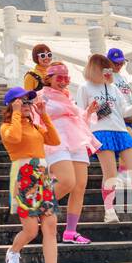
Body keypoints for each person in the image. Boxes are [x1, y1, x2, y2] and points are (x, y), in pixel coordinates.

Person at [0, 87, 73, 263]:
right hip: (23, 177)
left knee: (50, 227)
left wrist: (43, 115)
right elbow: (13, 138)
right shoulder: (6, 126)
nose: (26, 105)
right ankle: (13, 251)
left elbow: (54, 140)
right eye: (21, 102)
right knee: (31, 230)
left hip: (42, 176)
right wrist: (15, 112)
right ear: (12, 104)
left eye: (27, 102)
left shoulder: (35, 125)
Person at [80, 54, 132, 226]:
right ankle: (109, 211)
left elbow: (124, 110)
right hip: (100, 131)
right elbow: (81, 115)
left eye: (110, 69)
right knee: (110, 173)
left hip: (120, 130)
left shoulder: (113, 88)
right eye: (105, 69)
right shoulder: (85, 88)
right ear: (95, 69)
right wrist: (90, 111)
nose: (109, 72)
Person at [39, 62, 101, 244]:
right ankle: (38, 208)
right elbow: (38, 116)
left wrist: (88, 112)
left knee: (80, 185)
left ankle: (70, 231)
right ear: (49, 78)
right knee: (67, 181)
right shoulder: (42, 96)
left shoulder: (67, 96)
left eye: (66, 78)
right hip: (56, 140)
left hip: (76, 139)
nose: (63, 82)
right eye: (59, 78)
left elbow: (77, 118)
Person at [107, 48, 132, 140]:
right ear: (108, 61)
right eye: (115, 63)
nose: (119, 65)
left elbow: (127, 95)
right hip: (118, 116)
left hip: (129, 111)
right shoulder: (106, 75)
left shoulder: (123, 77)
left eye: (121, 63)